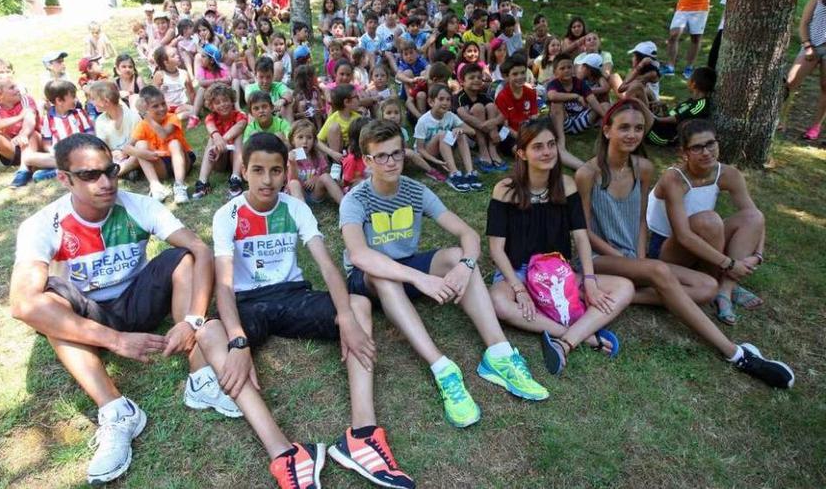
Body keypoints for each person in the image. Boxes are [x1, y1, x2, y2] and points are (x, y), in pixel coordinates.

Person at [204, 132, 415, 489]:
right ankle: (286, 454)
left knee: (360, 303)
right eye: (257, 170)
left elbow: (328, 265)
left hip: (292, 295)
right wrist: (238, 343)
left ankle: (361, 435)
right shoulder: (228, 214)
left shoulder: (295, 207)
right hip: (248, 303)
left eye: (275, 170)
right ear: (243, 170)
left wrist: (345, 317)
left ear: (286, 170)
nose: (267, 180)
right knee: (209, 333)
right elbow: (223, 285)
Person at [9, 134, 217, 484]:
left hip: (138, 300)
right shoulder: (42, 224)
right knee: (48, 304)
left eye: (110, 171)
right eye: (90, 175)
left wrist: (193, 322)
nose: (106, 183)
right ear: (64, 179)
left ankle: (201, 375)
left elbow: (201, 249)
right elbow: (22, 304)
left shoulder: (139, 205)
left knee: (182, 257)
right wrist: (115, 339)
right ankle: (117, 410)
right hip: (87, 312)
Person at [340, 119, 549, 429]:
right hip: (369, 278)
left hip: (406, 264)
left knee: (455, 255)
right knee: (386, 277)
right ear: (368, 161)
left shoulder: (415, 190)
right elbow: (359, 255)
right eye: (381, 156)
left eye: (397, 153)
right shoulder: (355, 200)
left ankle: (499, 353)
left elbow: (467, 234)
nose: (391, 162)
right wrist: (419, 278)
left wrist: (466, 266)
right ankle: (443, 368)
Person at [575, 99, 795, 388]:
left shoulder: (643, 167)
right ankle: (736, 353)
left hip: (634, 256)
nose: (632, 134)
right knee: (660, 273)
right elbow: (582, 230)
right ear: (606, 131)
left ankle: (613, 295)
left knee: (707, 287)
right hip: (598, 257)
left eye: (639, 128)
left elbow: (641, 221)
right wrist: (631, 261)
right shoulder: (587, 174)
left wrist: (639, 258)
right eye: (624, 128)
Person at [486, 117, 634, 375]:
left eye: (551, 144)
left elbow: (581, 237)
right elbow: (496, 249)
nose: (547, 152)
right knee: (498, 303)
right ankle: (582, 336)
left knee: (624, 287)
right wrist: (519, 289)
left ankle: (565, 343)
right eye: (538, 146)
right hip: (518, 270)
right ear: (522, 153)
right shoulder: (505, 190)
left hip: (558, 274)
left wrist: (588, 280)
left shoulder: (566, 185)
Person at [646, 120, 766, 326]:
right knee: (709, 221)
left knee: (753, 216)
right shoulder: (674, 179)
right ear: (684, 153)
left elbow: (756, 217)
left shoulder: (728, 174)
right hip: (667, 247)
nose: (706, 152)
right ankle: (718, 277)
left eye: (711, 144)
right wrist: (730, 263)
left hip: (702, 236)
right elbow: (683, 235)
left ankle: (724, 290)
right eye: (697, 147)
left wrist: (758, 255)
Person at [132, 85, 195, 204]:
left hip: (182, 160)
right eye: (155, 106)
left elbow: (164, 135)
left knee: (174, 143)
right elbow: (126, 147)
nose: (161, 108)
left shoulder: (172, 118)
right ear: (146, 108)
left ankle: (179, 186)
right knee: (140, 145)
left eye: (163, 103)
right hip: (162, 164)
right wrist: (142, 153)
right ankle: (156, 186)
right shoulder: (143, 125)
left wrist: (146, 116)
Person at [414, 84, 480, 192]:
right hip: (427, 155)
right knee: (442, 134)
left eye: (448, 99)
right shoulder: (423, 121)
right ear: (431, 102)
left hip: (444, 150)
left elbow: (472, 131)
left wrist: (460, 130)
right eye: (441, 99)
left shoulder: (450, 115)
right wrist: (435, 161)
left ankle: (470, 172)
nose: (445, 103)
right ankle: (453, 174)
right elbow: (420, 149)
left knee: (460, 134)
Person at [782, 0, 826, 141]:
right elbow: (804, 23)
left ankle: (815, 126)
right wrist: (807, 45)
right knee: (790, 81)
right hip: (812, 44)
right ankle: (780, 119)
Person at [546, 53, 606, 161]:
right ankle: (561, 141)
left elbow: (593, 101)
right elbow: (552, 96)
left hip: (581, 119)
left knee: (604, 105)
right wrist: (576, 96)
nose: (566, 70)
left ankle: (604, 138)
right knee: (556, 103)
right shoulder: (554, 84)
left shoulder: (579, 83)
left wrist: (607, 118)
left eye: (569, 67)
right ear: (555, 72)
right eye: (562, 68)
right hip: (564, 122)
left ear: (573, 69)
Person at [195, 83, 248, 199]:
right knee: (212, 137)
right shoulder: (211, 118)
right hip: (219, 158)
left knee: (238, 135)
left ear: (231, 100)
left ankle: (236, 178)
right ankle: (203, 182)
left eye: (225, 100)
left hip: (236, 157)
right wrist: (217, 141)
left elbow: (240, 126)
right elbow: (212, 130)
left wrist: (222, 140)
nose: (222, 104)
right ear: (212, 106)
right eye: (217, 103)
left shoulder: (240, 115)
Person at [456, 64, 507, 172]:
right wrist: (484, 126)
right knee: (478, 108)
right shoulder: (459, 97)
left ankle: (492, 150)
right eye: (472, 78)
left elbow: (501, 114)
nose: (476, 80)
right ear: (462, 82)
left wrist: (493, 128)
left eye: (479, 77)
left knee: (491, 106)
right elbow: (463, 116)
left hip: (489, 133)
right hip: (470, 135)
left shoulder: (484, 96)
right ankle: (483, 151)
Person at [646, 66, 715, 146]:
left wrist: (655, 118)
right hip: (660, 125)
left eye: (689, 78)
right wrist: (664, 107)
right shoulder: (692, 101)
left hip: (662, 135)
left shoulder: (700, 105)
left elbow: (678, 119)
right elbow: (673, 116)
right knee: (645, 90)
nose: (687, 80)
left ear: (693, 84)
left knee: (638, 96)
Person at [89, 81, 143, 178]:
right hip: (114, 157)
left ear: (106, 101)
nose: (91, 102)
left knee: (140, 153)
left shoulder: (133, 117)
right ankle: (126, 170)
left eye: (93, 99)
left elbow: (138, 141)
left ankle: (116, 173)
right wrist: (112, 153)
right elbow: (102, 146)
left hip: (131, 154)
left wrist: (125, 153)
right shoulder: (100, 120)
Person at [287, 119, 344, 205]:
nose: (305, 141)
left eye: (309, 137)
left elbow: (325, 172)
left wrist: (316, 178)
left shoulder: (317, 156)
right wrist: (292, 163)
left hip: (315, 193)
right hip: (297, 195)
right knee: (294, 183)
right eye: (300, 137)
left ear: (314, 141)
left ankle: (345, 204)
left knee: (325, 177)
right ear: (292, 140)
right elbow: (292, 179)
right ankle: (303, 212)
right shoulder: (290, 157)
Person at [664, 0, 711, 79]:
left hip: (700, 8)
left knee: (695, 38)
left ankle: (689, 68)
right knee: (673, 35)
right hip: (682, 7)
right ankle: (670, 67)